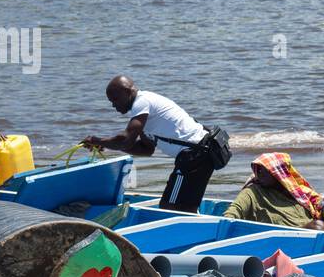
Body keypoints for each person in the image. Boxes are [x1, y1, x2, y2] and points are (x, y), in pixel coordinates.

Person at [81, 76, 221, 212]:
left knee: (169, 207)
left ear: (128, 92)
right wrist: (109, 145)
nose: (113, 105)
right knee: (180, 206)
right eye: (111, 101)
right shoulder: (144, 110)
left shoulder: (141, 103)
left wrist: (97, 140)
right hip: (200, 153)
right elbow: (146, 149)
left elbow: (126, 140)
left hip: (194, 156)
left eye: (115, 99)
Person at [225, 152, 324, 229]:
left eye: (263, 172)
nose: (258, 175)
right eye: (258, 171)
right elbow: (233, 212)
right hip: (285, 235)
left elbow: (320, 209)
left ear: (277, 174)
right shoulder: (252, 192)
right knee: (318, 226)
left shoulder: (298, 191)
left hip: (312, 228)